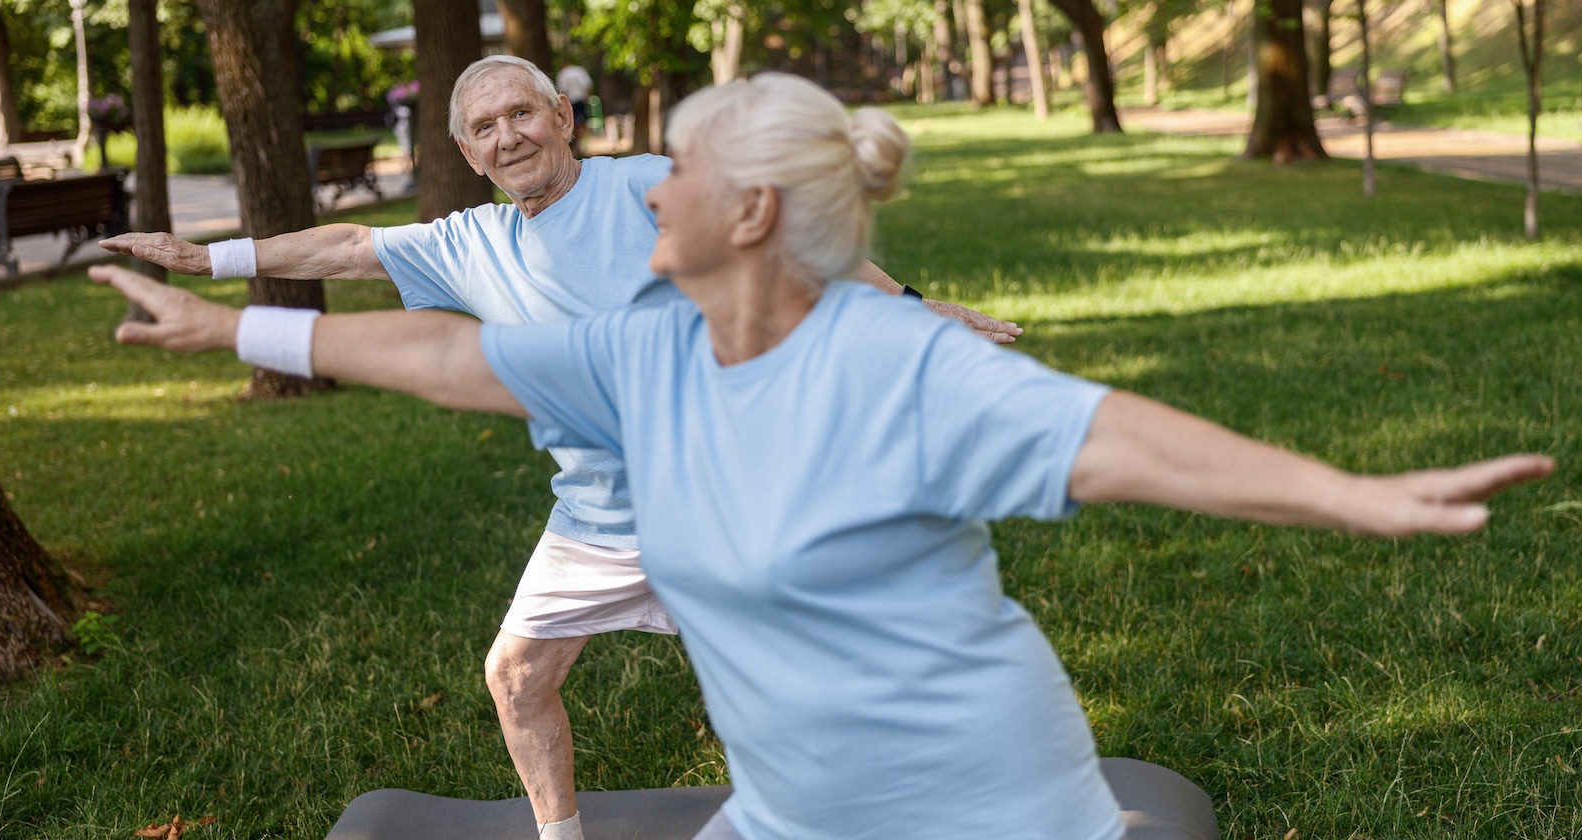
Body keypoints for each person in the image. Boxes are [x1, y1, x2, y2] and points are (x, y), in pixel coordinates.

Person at [93, 73, 1553, 840]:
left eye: (680, 169)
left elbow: (1123, 443)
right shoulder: (648, 352)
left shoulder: (892, 369)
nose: (643, 184)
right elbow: (444, 353)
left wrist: (1354, 494)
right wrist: (231, 334)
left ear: (749, 221)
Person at [98, 56, 1021, 840]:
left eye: (521, 113)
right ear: (467, 152)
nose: (508, 136)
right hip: (600, 516)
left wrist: (915, 311)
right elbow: (343, 247)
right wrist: (204, 260)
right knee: (516, 673)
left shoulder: (647, 185)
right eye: (484, 127)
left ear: (562, 118)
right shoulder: (469, 243)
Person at [556, 64, 593, 149]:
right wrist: (587, 99)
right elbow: (587, 85)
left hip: (570, 101)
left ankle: (576, 145)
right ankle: (581, 143)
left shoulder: (563, 74)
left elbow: (563, 90)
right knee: (582, 122)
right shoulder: (580, 70)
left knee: (572, 123)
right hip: (580, 100)